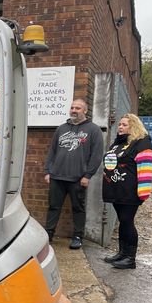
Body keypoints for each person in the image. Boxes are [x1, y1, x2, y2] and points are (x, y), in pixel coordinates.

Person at [44, 98, 104, 250]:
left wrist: (88, 175)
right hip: (57, 176)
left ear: (85, 111)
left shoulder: (93, 130)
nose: (74, 110)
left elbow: (96, 155)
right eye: (72, 107)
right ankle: (49, 234)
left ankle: (77, 236)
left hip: (78, 178)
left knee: (78, 208)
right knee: (53, 207)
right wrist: (48, 171)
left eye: (78, 108)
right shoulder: (61, 128)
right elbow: (52, 151)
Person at [101, 113, 152, 269]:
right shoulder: (119, 143)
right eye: (120, 124)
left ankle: (130, 259)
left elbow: (146, 168)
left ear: (134, 126)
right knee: (123, 222)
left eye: (124, 125)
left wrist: (144, 191)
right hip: (117, 190)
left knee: (127, 221)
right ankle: (122, 253)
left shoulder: (142, 143)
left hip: (130, 191)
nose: (120, 127)